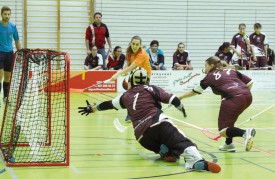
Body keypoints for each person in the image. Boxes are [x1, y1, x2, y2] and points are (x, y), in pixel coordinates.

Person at [78, 67, 221, 173]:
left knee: (166, 145)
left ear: (131, 80)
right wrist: (181, 108)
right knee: (181, 140)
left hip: (142, 137)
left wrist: (92, 108)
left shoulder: (125, 96)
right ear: (146, 79)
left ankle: (167, 153)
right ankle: (196, 160)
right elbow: (173, 99)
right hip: (158, 122)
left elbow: (107, 105)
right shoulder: (151, 88)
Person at [178, 56, 256, 152]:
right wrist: (242, 94)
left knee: (223, 130)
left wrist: (180, 97)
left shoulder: (209, 77)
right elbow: (250, 82)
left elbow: (195, 91)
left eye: (206, 65)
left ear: (211, 65)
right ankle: (228, 144)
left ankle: (245, 133)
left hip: (233, 99)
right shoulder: (231, 71)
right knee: (229, 122)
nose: (205, 68)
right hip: (248, 96)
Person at [110, 36, 152, 122]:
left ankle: (145, 114)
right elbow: (129, 65)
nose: (135, 46)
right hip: (134, 73)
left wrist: (118, 73)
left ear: (140, 45)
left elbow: (132, 66)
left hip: (144, 76)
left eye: (137, 44)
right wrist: (124, 71)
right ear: (130, 43)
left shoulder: (142, 54)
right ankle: (129, 115)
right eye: (133, 44)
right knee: (129, 94)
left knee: (141, 96)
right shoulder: (129, 51)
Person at [0, 6, 21, 106]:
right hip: (0, 53)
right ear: (1, 14)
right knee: (0, 76)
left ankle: (5, 97)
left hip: (9, 54)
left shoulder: (13, 27)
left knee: (8, 78)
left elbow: (17, 40)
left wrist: (20, 53)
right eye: (5, 14)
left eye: (8, 14)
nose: (7, 16)